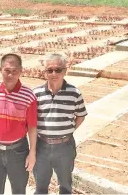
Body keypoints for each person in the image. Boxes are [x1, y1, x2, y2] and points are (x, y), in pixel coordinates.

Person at [33, 53, 88, 194]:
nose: (53, 73)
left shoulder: (74, 93)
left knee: (65, 187)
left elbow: (80, 116)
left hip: (65, 147)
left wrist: (67, 131)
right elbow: (32, 121)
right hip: (41, 147)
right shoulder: (36, 94)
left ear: (65, 71)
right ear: (44, 72)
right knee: (40, 187)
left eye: (58, 70)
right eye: (49, 70)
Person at [0, 53, 37, 194]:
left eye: (14, 71)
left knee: (19, 190)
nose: (10, 75)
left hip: (18, 152)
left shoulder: (28, 95)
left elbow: (32, 127)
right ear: (0, 69)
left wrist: (32, 153)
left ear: (21, 71)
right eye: (7, 70)